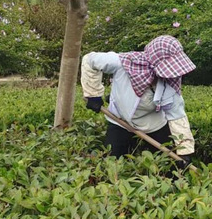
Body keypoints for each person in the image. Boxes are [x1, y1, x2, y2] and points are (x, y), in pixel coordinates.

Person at [81, 35, 196, 165]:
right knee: (111, 164)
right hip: (120, 120)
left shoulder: (171, 82)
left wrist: (184, 152)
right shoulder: (122, 63)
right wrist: (93, 94)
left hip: (154, 123)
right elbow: (89, 60)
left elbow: (177, 116)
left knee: (168, 166)